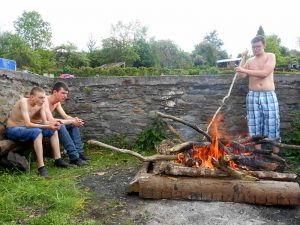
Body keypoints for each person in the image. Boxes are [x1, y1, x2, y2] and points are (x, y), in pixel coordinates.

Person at [5, 87, 69, 176]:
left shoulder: (41, 104)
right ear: (32, 97)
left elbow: (45, 122)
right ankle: (41, 167)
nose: (43, 100)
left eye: (44, 97)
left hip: (26, 129)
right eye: (41, 98)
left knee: (52, 130)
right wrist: (48, 126)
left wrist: (54, 124)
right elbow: (28, 124)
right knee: (37, 132)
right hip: (13, 129)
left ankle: (58, 160)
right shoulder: (23, 102)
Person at [235, 35, 280, 153]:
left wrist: (244, 70)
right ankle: (258, 155)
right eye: (253, 47)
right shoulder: (250, 61)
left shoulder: (271, 56)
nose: (256, 49)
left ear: (264, 45)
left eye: (258, 46)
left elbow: (265, 73)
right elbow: (242, 75)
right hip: (253, 96)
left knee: (273, 125)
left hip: (268, 95)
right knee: (254, 126)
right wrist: (243, 57)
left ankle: (276, 156)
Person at [45, 81, 90, 166]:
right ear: (55, 92)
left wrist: (75, 120)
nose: (65, 96)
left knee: (73, 124)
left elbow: (65, 116)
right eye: (63, 93)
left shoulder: (57, 103)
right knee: (61, 125)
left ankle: (79, 153)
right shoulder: (45, 101)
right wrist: (72, 120)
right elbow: (51, 121)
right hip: (42, 125)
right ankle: (74, 157)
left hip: (51, 124)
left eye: (66, 93)